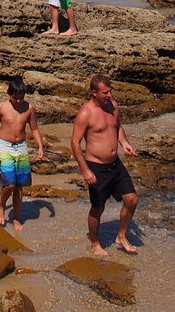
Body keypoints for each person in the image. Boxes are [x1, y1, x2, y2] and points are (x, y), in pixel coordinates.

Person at [72, 75, 139, 258]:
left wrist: (124, 143)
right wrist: (85, 170)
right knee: (97, 208)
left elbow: (117, 127)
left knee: (132, 199)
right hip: (96, 167)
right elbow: (75, 143)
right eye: (105, 93)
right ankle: (95, 243)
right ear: (94, 93)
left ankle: (121, 236)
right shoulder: (86, 113)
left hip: (115, 164)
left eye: (110, 92)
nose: (109, 95)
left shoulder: (113, 106)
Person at [0, 77, 46, 232]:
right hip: (5, 146)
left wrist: (40, 146)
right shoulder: (1, 107)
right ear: (9, 94)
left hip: (21, 147)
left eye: (21, 97)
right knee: (10, 184)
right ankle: (1, 205)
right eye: (15, 97)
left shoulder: (29, 108)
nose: (18, 101)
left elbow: (34, 129)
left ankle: (17, 218)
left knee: (19, 186)